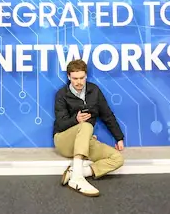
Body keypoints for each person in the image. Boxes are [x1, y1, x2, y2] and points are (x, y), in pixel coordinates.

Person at [53, 59, 125, 197]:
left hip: (84, 141)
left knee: (117, 159)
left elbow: (107, 115)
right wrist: (76, 120)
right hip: (63, 141)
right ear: (68, 77)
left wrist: (119, 138)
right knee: (86, 125)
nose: (79, 82)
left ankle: (78, 172)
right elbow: (60, 124)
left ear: (86, 75)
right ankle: (77, 179)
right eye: (75, 78)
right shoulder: (61, 94)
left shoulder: (94, 91)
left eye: (82, 78)